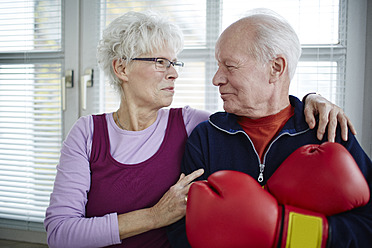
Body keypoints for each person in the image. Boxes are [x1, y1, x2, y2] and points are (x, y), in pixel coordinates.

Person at [44, 11, 355, 248]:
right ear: (122, 68)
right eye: (160, 62)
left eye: (174, 63)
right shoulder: (88, 133)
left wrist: (311, 100)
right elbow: (59, 232)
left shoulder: (194, 125)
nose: (173, 74)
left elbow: (262, 109)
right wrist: (154, 216)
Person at [167, 8, 372, 248]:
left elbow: (366, 226)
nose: (216, 79)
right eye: (217, 65)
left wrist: (287, 232)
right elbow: (180, 229)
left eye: (230, 66)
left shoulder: (329, 132)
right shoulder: (205, 137)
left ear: (276, 68)